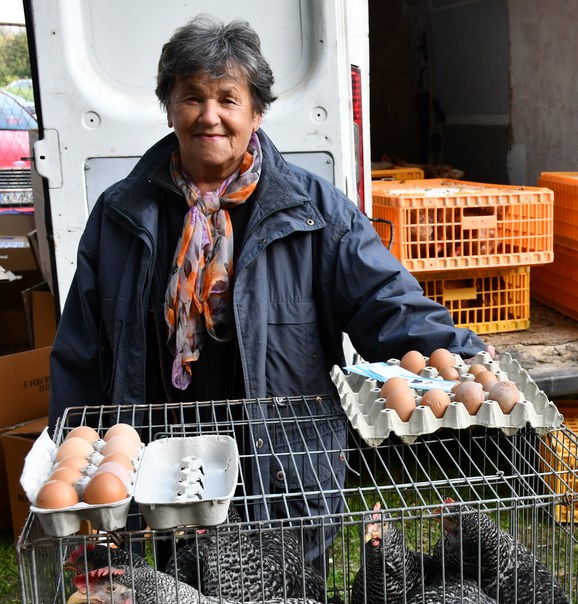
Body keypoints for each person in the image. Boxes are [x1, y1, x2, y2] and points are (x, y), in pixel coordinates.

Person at [48, 15, 493, 565]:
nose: (210, 116)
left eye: (228, 99)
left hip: (278, 475)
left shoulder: (313, 211)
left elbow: (385, 300)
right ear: (168, 106)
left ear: (256, 112)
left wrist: (459, 352)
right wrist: (73, 470)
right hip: (157, 476)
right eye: (192, 98)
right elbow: (80, 352)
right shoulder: (122, 215)